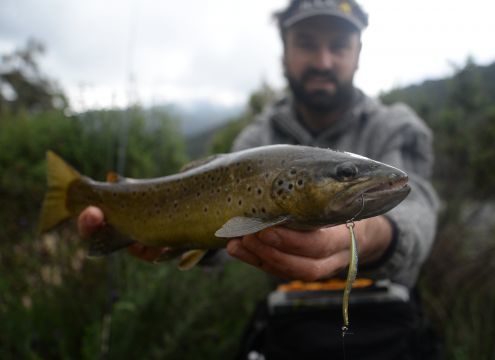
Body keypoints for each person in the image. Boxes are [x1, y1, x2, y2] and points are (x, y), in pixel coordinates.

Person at [78, 1, 440, 359]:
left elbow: (417, 209)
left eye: (339, 46)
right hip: (290, 328)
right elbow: (231, 246)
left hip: (388, 326)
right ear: (284, 53)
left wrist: (372, 235)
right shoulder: (256, 138)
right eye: (307, 43)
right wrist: (177, 240)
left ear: (358, 54)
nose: (323, 61)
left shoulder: (396, 126)